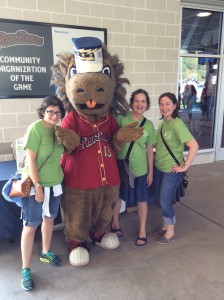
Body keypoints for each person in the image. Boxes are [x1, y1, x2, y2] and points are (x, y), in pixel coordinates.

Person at [20, 96, 65, 291]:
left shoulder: (59, 131)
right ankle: (25, 269)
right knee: (30, 227)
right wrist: (37, 186)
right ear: (42, 112)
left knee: (49, 220)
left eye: (57, 112)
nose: (54, 116)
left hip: (55, 183)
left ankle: (46, 252)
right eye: (50, 112)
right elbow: (30, 160)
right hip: (35, 186)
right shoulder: (35, 129)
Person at [112, 89, 156, 246]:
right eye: (136, 101)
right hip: (121, 166)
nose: (139, 104)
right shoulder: (121, 119)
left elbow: (150, 150)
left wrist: (151, 172)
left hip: (140, 169)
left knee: (142, 199)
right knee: (118, 196)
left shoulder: (149, 126)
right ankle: (115, 223)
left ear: (147, 104)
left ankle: (142, 229)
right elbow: (110, 135)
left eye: (143, 101)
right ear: (131, 103)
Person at [153, 92, 199, 244]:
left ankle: (170, 232)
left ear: (174, 105)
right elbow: (158, 145)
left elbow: (194, 145)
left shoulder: (177, 124)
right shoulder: (162, 123)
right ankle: (166, 225)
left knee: (165, 201)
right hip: (160, 168)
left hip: (171, 171)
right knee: (161, 200)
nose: (164, 107)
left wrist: (184, 166)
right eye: (161, 104)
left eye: (167, 104)